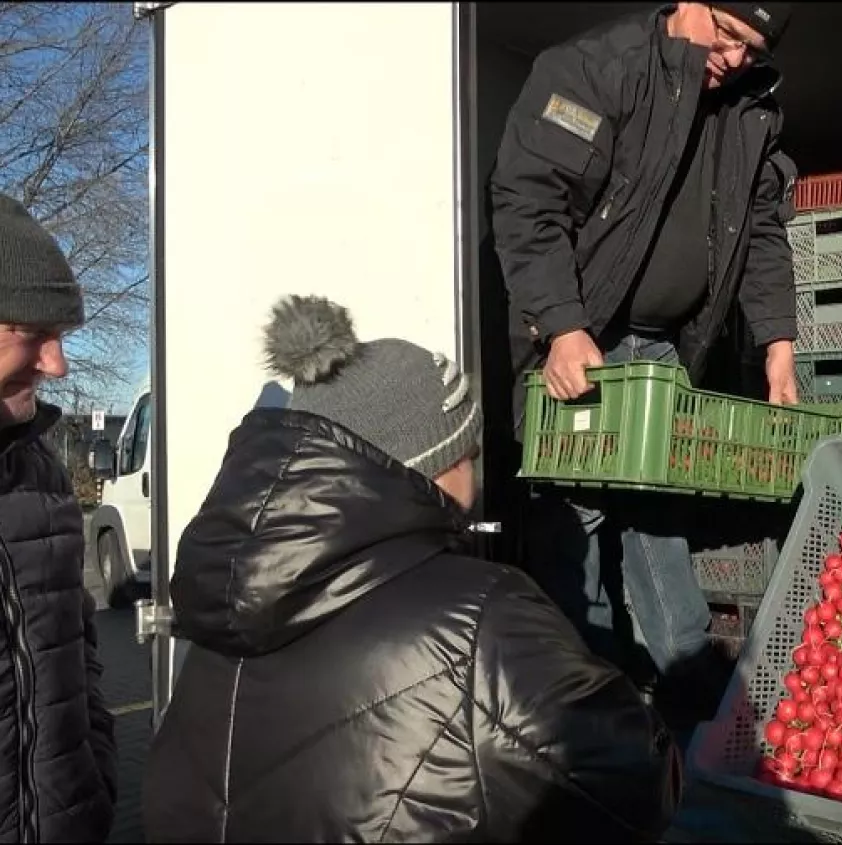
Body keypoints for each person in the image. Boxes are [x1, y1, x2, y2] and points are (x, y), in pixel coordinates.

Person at [142, 295, 681, 843]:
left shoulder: (216, 608)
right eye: (469, 452)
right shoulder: (481, 617)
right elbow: (632, 784)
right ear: (438, 463)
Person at [490, 2, 798, 720]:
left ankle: (689, 691)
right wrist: (561, 326)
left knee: (660, 513)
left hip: (663, 349)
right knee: (578, 521)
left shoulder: (750, 109)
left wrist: (777, 346)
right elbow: (527, 201)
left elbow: (760, 232)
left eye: (752, 48)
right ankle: (585, 702)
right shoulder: (594, 71)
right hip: (581, 339)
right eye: (726, 35)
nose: (734, 58)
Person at [0, 194, 118, 843]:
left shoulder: (37, 470)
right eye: (33, 331)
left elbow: (76, 650)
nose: (57, 364)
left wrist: (92, 777)